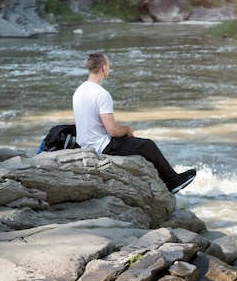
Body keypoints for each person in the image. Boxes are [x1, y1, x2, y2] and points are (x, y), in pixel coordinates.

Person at [72, 52, 196, 194]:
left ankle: (166, 180)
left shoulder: (79, 91)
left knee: (134, 143)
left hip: (85, 144)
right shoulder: (101, 94)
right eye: (109, 66)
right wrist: (127, 129)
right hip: (102, 146)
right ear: (104, 68)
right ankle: (173, 182)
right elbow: (112, 130)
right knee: (147, 145)